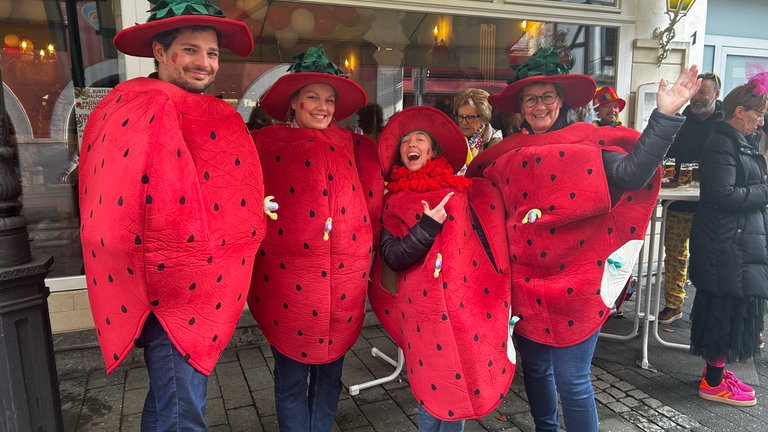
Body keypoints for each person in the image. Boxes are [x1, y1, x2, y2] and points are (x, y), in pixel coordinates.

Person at [466, 48, 701, 431]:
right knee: (537, 371)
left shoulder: (587, 144)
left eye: (547, 96)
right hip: (524, 283)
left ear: (561, 100)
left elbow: (633, 174)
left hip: (578, 282)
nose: (539, 105)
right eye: (530, 98)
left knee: (572, 379)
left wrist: (665, 115)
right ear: (520, 106)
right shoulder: (504, 155)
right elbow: (480, 205)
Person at [78, 1, 264, 430]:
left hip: (199, 284)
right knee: (183, 412)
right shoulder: (143, 105)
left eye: (212, 53)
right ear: (160, 52)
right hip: (171, 293)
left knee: (171, 399)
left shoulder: (188, 107)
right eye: (191, 49)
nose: (204, 63)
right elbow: (123, 207)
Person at [247, 45, 383, 432]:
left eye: (328, 99)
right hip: (287, 283)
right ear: (294, 102)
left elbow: (373, 210)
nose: (321, 106)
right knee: (290, 378)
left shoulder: (357, 148)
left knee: (330, 375)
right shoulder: (264, 145)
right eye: (312, 97)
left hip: (344, 284)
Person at [368, 106, 514, 431]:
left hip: (462, 303)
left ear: (432, 150)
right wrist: (426, 228)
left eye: (419, 139)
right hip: (421, 311)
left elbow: (482, 240)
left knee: (458, 379)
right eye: (405, 142)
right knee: (429, 382)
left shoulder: (460, 193)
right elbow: (392, 256)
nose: (411, 145)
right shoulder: (393, 201)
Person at [688, 73, 768, 407]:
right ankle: (713, 382)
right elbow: (721, 195)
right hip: (726, 244)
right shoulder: (723, 142)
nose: (761, 119)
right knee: (724, 310)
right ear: (737, 112)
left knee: (729, 308)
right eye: (757, 113)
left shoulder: (740, 140)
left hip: (734, 241)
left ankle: (715, 374)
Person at [658, 72, 723, 325]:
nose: (697, 98)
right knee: (674, 254)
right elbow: (665, 154)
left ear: (716, 95)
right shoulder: (680, 119)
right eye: (695, 92)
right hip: (678, 202)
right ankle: (673, 304)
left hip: (711, 205)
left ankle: (709, 310)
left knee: (711, 256)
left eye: (703, 93)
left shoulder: (725, 124)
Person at [454, 88, 503, 160]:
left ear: (483, 118)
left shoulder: (495, 143)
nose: (464, 122)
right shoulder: (453, 138)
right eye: (461, 117)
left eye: (470, 117)